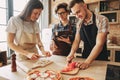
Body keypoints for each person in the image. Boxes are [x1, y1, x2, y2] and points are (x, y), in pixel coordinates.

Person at [67, 0, 109, 69]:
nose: (77, 16)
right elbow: (77, 41)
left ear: (85, 6)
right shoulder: (79, 23)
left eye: (78, 12)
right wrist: (71, 53)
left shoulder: (102, 20)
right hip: (85, 58)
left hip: (100, 60)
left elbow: (99, 44)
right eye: (75, 14)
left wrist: (87, 62)